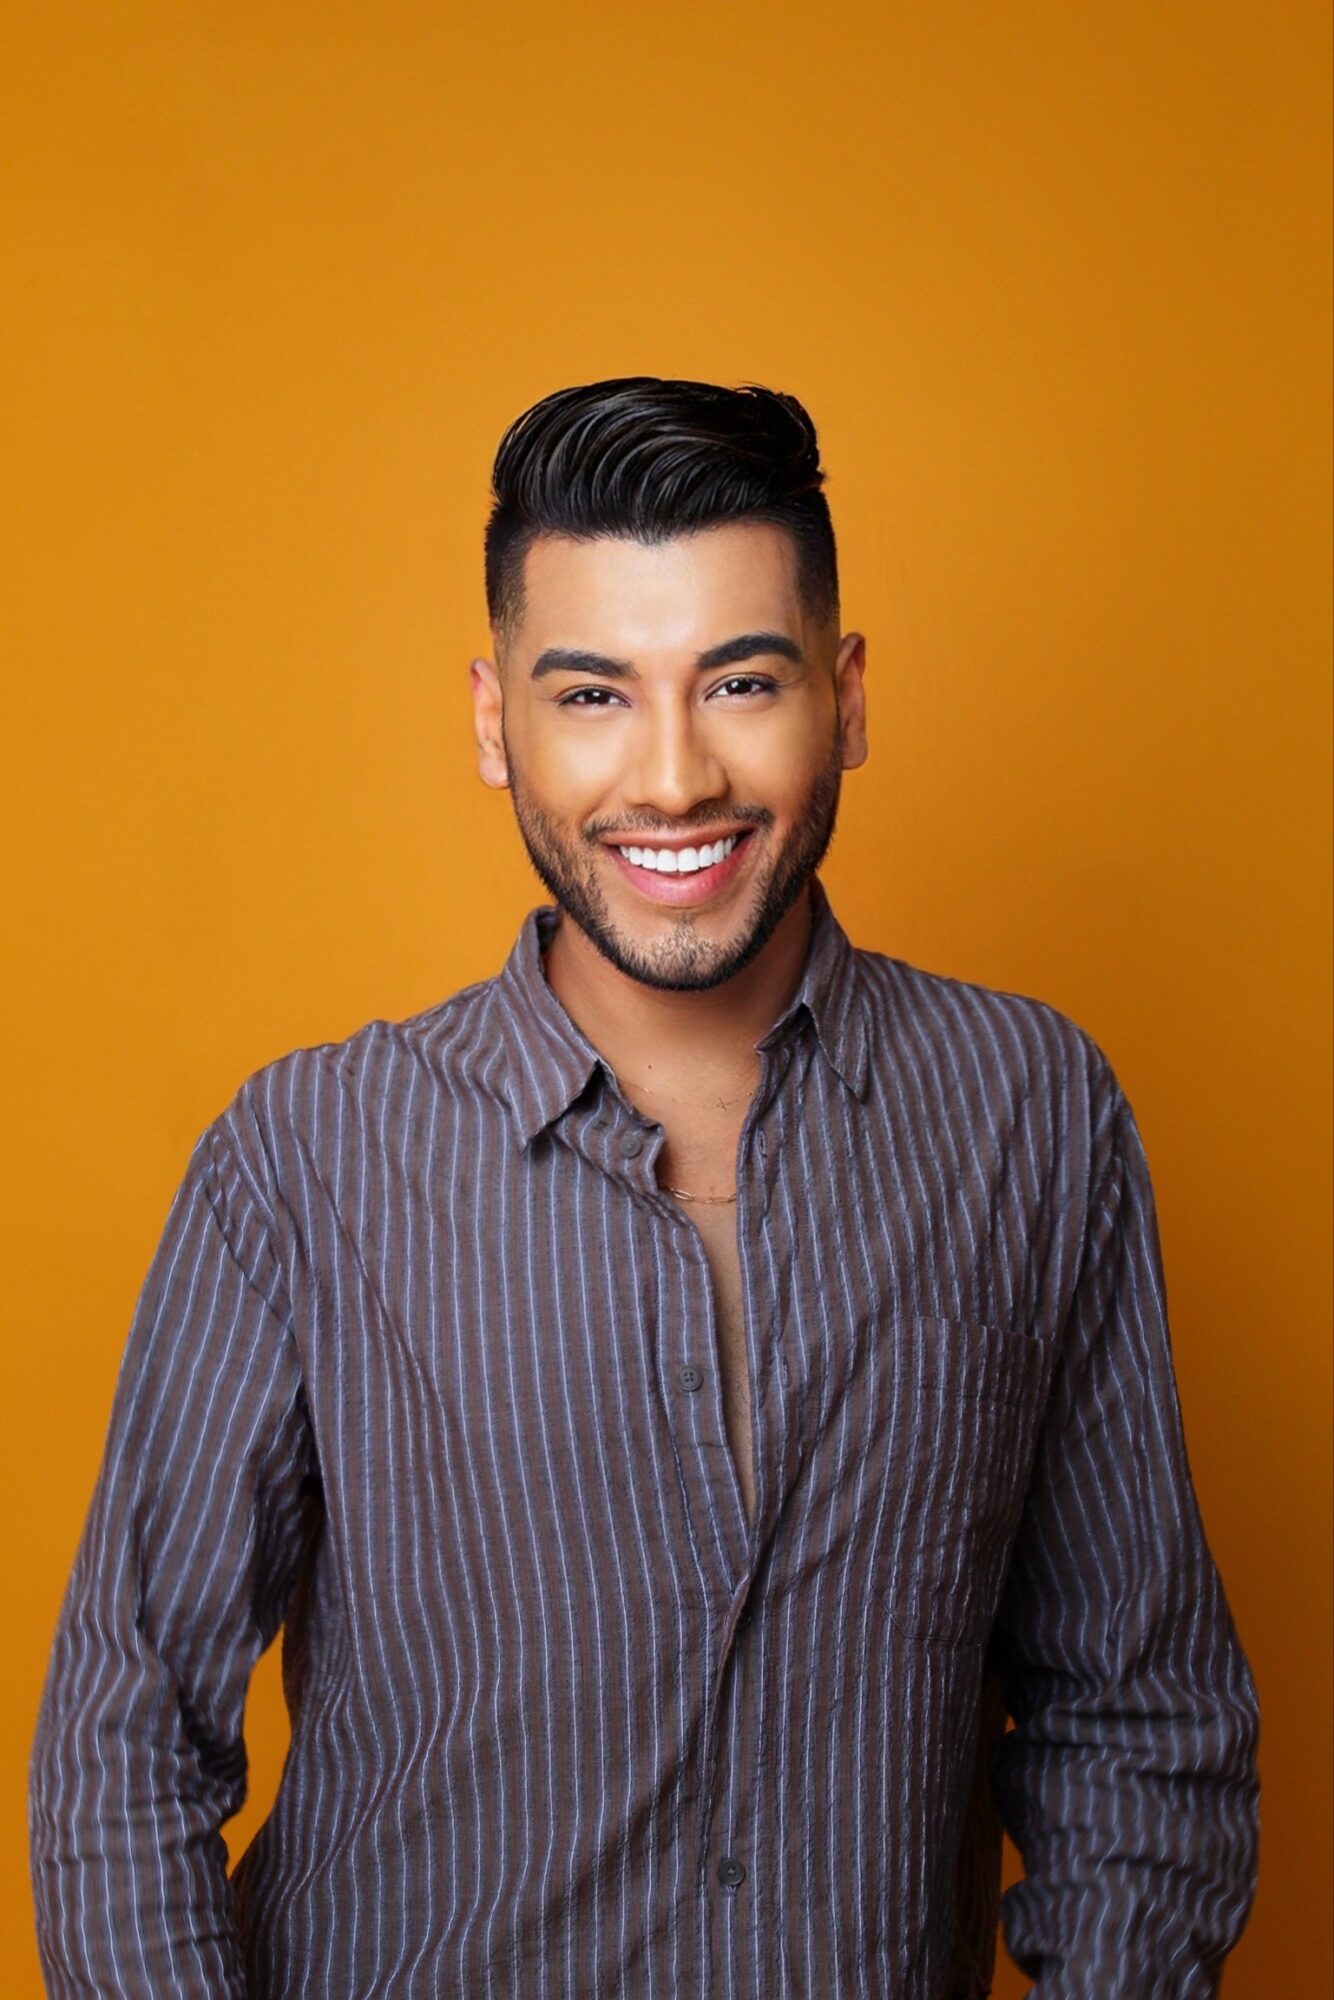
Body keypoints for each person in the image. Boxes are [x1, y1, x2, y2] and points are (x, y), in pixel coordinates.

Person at [29, 376, 1260, 1998]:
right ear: (496, 724)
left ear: (848, 694)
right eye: (593, 696)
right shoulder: (303, 1162)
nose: (673, 780)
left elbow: (1140, 1725)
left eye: (739, 681)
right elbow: (127, 1747)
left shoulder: (1032, 1118)